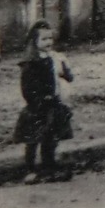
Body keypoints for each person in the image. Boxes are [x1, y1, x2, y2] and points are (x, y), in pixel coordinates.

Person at [13, 21, 74, 184]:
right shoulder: (31, 63)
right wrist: (36, 99)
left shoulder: (55, 58)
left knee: (51, 137)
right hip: (37, 107)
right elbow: (27, 87)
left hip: (52, 104)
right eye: (44, 39)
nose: (49, 43)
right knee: (33, 139)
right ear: (34, 41)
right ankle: (30, 168)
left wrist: (65, 68)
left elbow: (68, 77)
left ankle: (49, 165)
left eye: (50, 39)